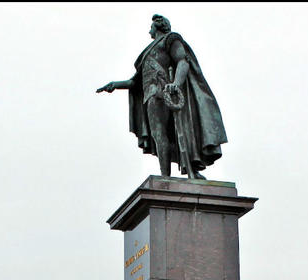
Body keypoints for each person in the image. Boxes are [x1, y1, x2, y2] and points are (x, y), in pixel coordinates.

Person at [96, 14, 227, 179]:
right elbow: (134, 82)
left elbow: (182, 61)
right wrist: (115, 84)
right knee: (158, 135)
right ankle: (166, 176)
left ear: (159, 26)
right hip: (151, 95)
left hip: (164, 91)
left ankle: (179, 173)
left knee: (177, 131)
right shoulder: (147, 54)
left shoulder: (170, 39)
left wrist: (176, 84)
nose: (149, 29)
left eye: (151, 26)